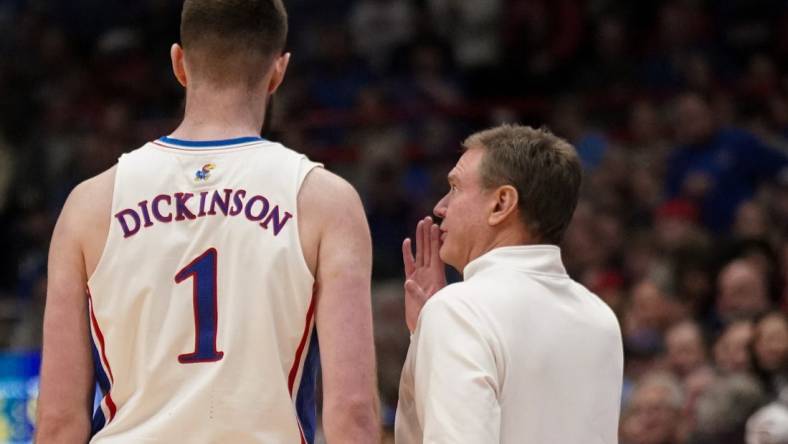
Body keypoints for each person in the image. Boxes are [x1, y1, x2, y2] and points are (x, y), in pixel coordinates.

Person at [35, 1, 379, 442]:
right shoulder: (325, 201)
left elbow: (59, 422)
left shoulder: (89, 204)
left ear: (179, 63)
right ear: (279, 71)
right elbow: (352, 413)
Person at [395, 124, 623, 443]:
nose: (440, 207)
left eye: (455, 188)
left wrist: (440, 320)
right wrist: (425, 335)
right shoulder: (601, 318)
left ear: (501, 203)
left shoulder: (459, 310)